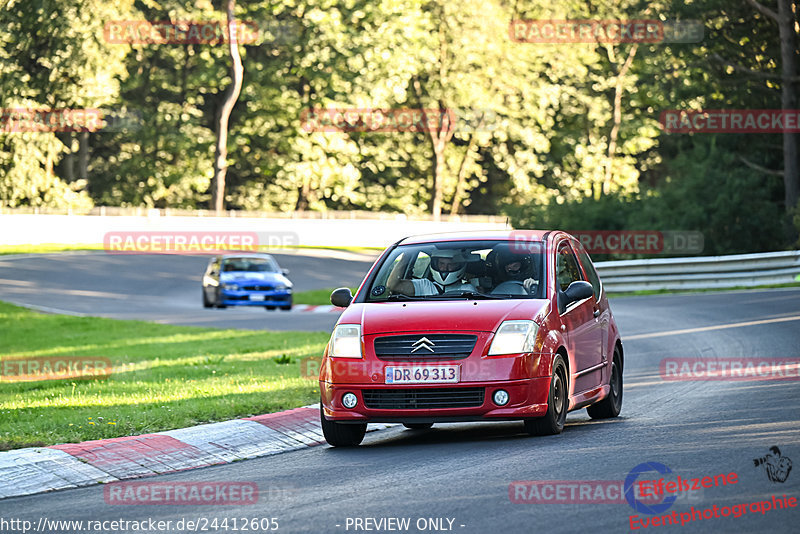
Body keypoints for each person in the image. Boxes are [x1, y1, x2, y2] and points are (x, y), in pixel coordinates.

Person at [387, 249, 478, 296]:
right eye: (441, 263)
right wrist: (406, 256)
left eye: (451, 264)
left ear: (459, 266)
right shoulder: (423, 285)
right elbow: (392, 285)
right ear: (435, 264)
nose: (445, 268)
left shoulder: (467, 289)